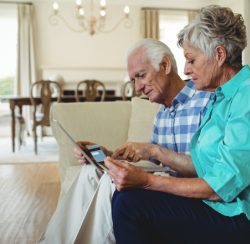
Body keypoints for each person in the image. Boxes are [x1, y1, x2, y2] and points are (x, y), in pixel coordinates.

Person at [107, 5, 250, 244]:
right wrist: (146, 160)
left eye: (191, 60)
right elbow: (206, 167)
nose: (186, 70)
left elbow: (220, 187)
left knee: (131, 205)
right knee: (125, 197)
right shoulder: (221, 99)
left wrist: (148, 181)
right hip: (229, 208)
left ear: (219, 55)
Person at [38, 39, 212, 244]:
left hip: (192, 196)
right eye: (133, 80)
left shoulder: (206, 100)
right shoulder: (162, 112)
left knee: (108, 185)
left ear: (165, 65)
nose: (138, 87)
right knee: (90, 173)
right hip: (167, 185)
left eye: (141, 75)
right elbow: (159, 161)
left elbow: (208, 169)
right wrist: (109, 155)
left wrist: (153, 151)